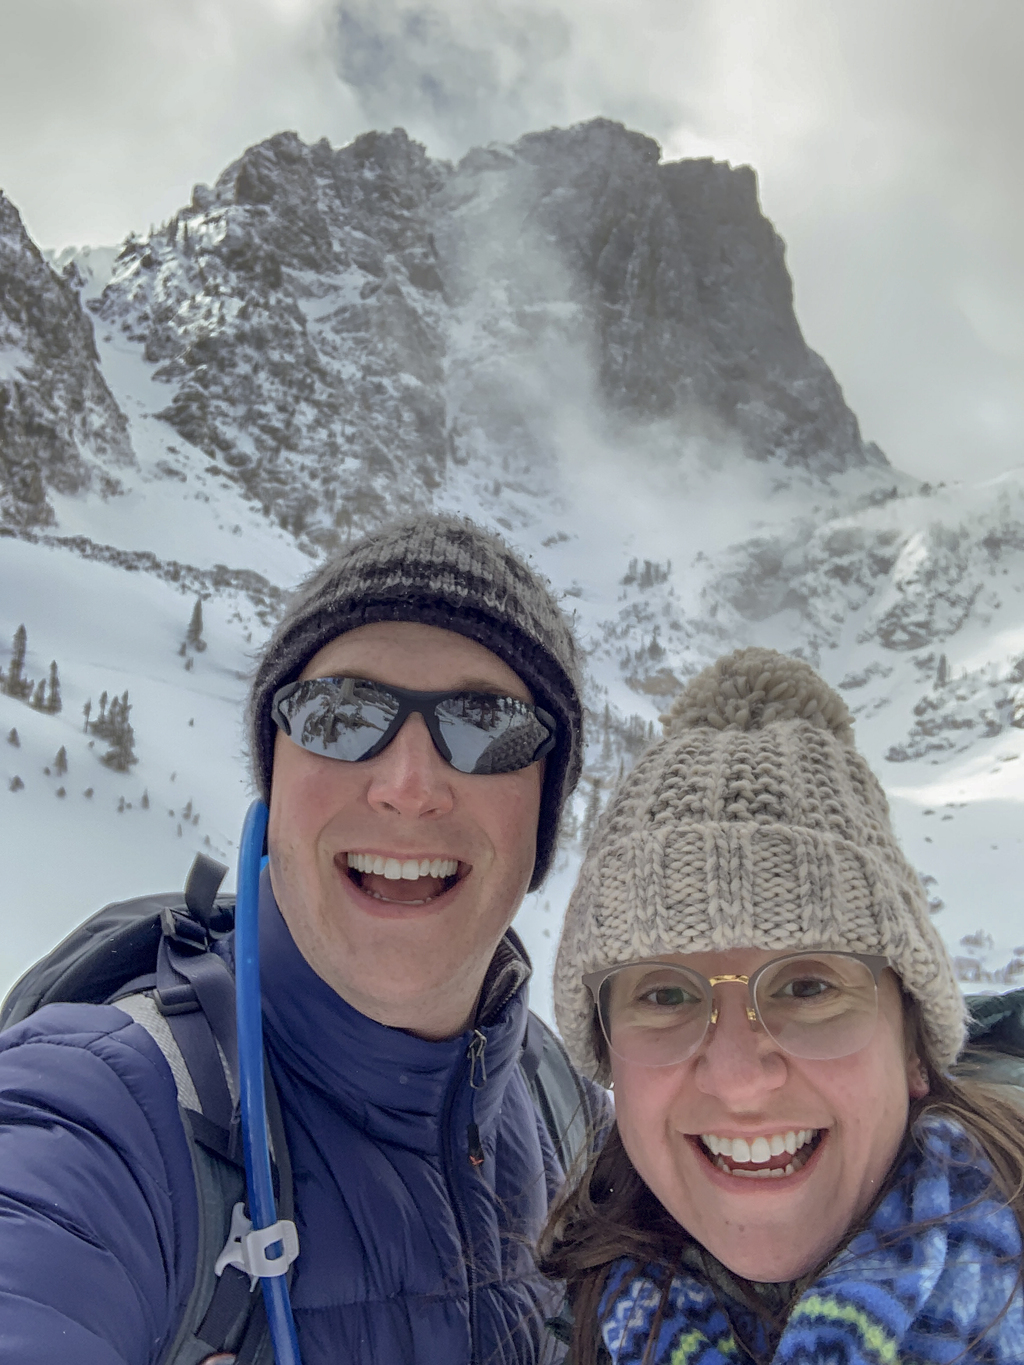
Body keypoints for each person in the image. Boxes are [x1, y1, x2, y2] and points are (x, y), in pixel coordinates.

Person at [0, 514, 596, 1365]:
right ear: (277, 779)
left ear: (543, 811)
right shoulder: (109, 1108)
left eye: (485, 723)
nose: (408, 786)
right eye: (343, 714)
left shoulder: (564, 1109)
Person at [541, 647, 1024, 1365]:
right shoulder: (580, 1325)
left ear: (915, 1043)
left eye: (807, 986)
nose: (738, 1076)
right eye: (666, 994)